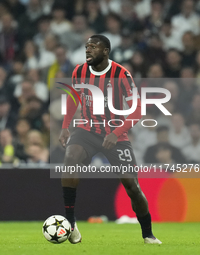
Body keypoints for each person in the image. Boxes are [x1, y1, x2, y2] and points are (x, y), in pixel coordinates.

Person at [58, 35, 161, 244]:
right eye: (87, 47)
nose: (88, 51)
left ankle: (148, 233)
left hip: (115, 133)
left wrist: (116, 133)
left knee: (132, 186)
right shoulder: (79, 71)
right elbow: (73, 97)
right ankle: (71, 224)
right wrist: (65, 126)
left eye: (93, 47)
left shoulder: (121, 74)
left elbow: (138, 109)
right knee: (69, 160)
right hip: (86, 129)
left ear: (105, 51)